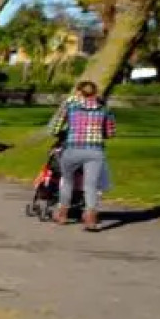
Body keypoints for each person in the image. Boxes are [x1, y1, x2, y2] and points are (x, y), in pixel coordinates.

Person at [47, 79, 115, 230]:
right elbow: (110, 133)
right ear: (95, 92)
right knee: (91, 185)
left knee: (67, 181)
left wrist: (65, 131)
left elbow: (55, 128)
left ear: (78, 92)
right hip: (95, 151)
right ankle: (90, 218)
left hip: (73, 149)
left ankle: (62, 214)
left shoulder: (70, 105)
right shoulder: (104, 107)